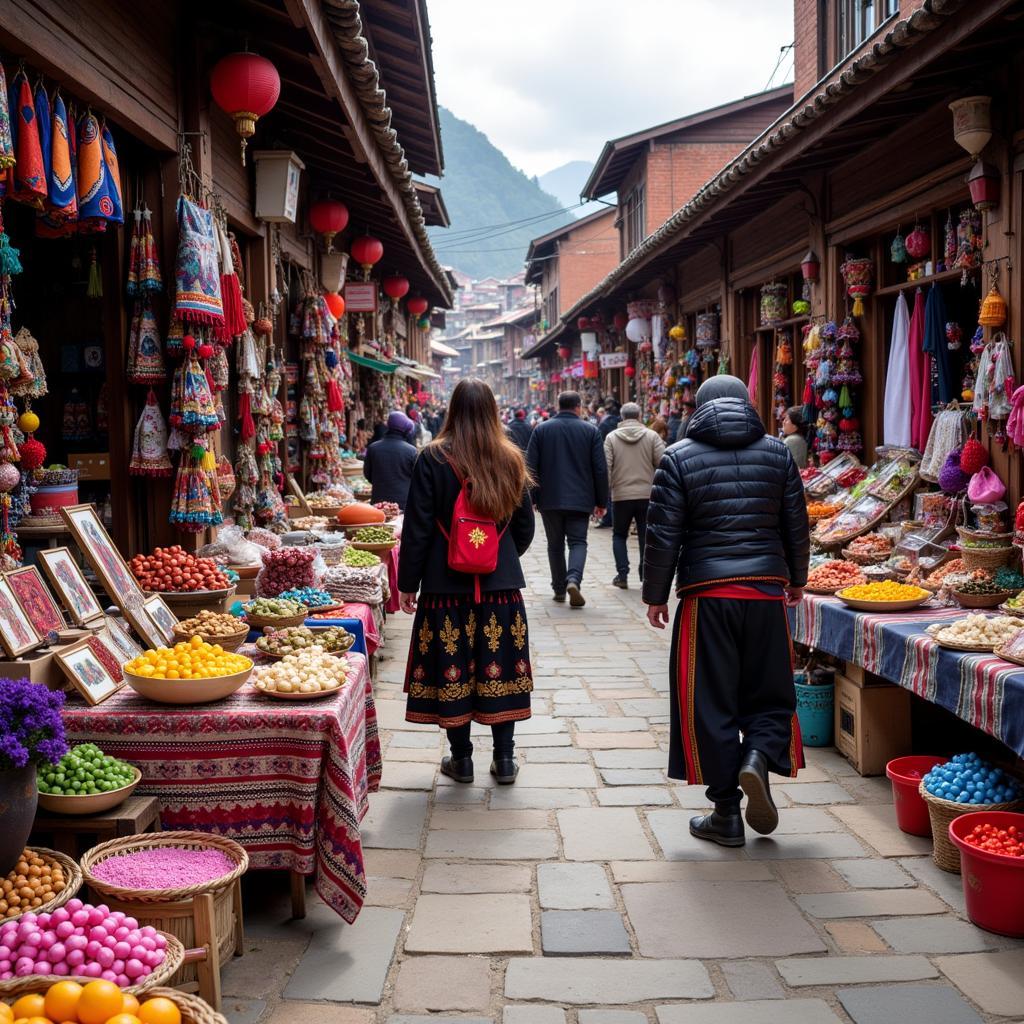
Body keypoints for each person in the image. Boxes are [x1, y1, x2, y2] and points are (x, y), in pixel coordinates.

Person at [643, 375, 809, 848]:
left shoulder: (678, 456)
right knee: (770, 691)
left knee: (709, 700)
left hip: (707, 596)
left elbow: (663, 534)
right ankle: (756, 756)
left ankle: (726, 813)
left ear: (698, 407)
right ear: (747, 405)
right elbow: (796, 523)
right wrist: (797, 578)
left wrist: (656, 593)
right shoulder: (778, 452)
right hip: (764, 593)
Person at [398, 378, 535, 785]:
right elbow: (524, 527)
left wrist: (409, 581)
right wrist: (497, 556)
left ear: (452, 411)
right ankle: (506, 760)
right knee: (500, 668)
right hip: (501, 590)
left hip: (445, 589)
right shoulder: (510, 457)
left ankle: (462, 760)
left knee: (453, 669)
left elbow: (419, 527)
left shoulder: (433, 458)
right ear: (493, 411)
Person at [526, 390, 608, 607]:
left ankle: (559, 589)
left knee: (554, 545)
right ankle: (573, 579)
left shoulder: (541, 430)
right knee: (578, 541)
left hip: (550, 498)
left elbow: (530, 466)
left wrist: (533, 497)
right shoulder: (591, 431)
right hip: (581, 499)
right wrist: (601, 502)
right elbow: (600, 470)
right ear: (578, 407)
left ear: (558, 405)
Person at [604, 403, 665, 589]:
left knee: (619, 535)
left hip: (621, 495)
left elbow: (606, 467)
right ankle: (645, 573)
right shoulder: (652, 436)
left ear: (621, 417)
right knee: (646, 535)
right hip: (647, 495)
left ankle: (622, 575)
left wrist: (606, 493)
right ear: (639, 416)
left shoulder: (611, 438)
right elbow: (663, 464)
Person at [364, 411, 418, 509]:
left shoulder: (373, 448)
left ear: (388, 425)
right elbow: (417, 479)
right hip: (404, 503)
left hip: (379, 502)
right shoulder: (411, 451)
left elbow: (368, 474)